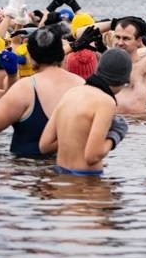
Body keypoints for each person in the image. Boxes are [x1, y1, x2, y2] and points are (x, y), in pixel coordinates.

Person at [0, 26, 85, 157]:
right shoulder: (81, 84)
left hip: (28, 172)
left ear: (31, 56)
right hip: (71, 169)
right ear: (61, 54)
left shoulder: (26, 87)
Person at [39, 48, 132, 176]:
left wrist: (75, 134)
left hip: (60, 178)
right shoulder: (106, 102)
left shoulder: (72, 92)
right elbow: (92, 156)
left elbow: (44, 145)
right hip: (87, 182)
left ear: (97, 70)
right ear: (125, 81)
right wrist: (115, 135)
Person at [96, 16, 146, 114]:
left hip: (136, 124)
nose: (120, 43)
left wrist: (145, 26)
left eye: (126, 38)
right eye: (117, 37)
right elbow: (80, 33)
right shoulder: (106, 62)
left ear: (138, 41)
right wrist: (114, 23)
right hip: (110, 122)